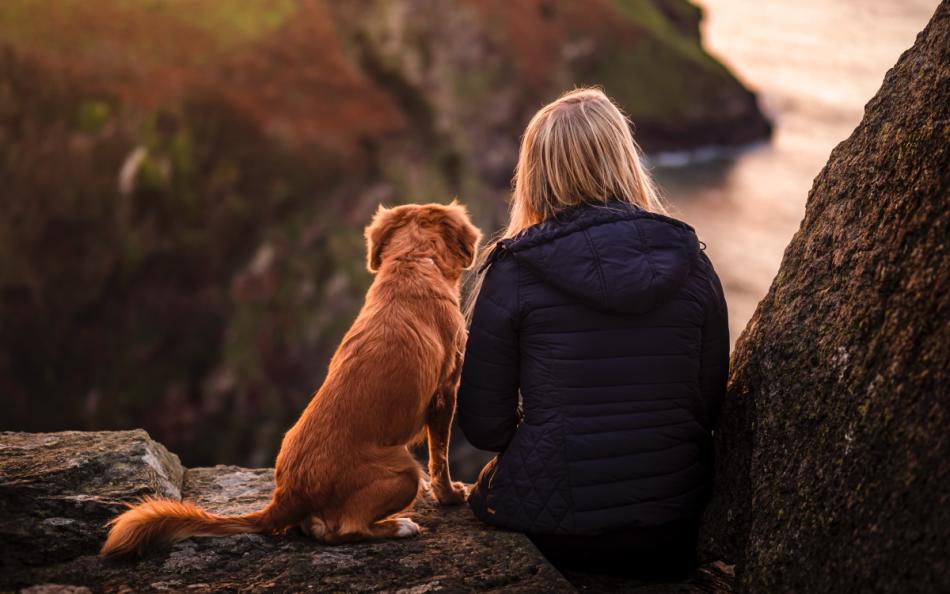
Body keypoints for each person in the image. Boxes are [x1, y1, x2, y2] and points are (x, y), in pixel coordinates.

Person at [456, 87, 729, 579]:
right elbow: (706, 407)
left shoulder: (514, 270)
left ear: (535, 173)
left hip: (558, 535)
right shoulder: (692, 262)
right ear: (625, 158)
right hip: (671, 525)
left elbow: (484, 428)